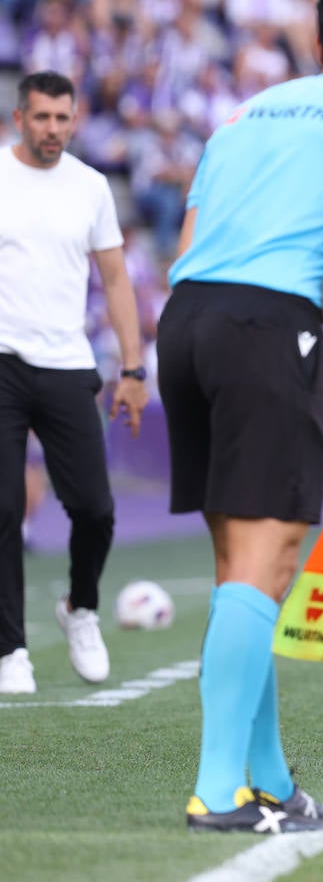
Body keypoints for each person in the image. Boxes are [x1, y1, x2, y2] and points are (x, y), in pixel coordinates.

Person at [157, 0, 323, 832]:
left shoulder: (245, 115)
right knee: (263, 568)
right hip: (269, 330)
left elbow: (187, 246)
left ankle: (266, 780)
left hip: (186, 322)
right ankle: (218, 790)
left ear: (317, 45)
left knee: (242, 574)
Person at [0, 70, 148, 696]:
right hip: (3, 360)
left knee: (94, 509)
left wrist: (134, 369)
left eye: (63, 118)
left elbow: (116, 281)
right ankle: (11, 648)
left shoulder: (89, 187)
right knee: (4, 508)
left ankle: (80, 607)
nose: (53, 129)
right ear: (19, 119)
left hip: (65, 363)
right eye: (42, 118)